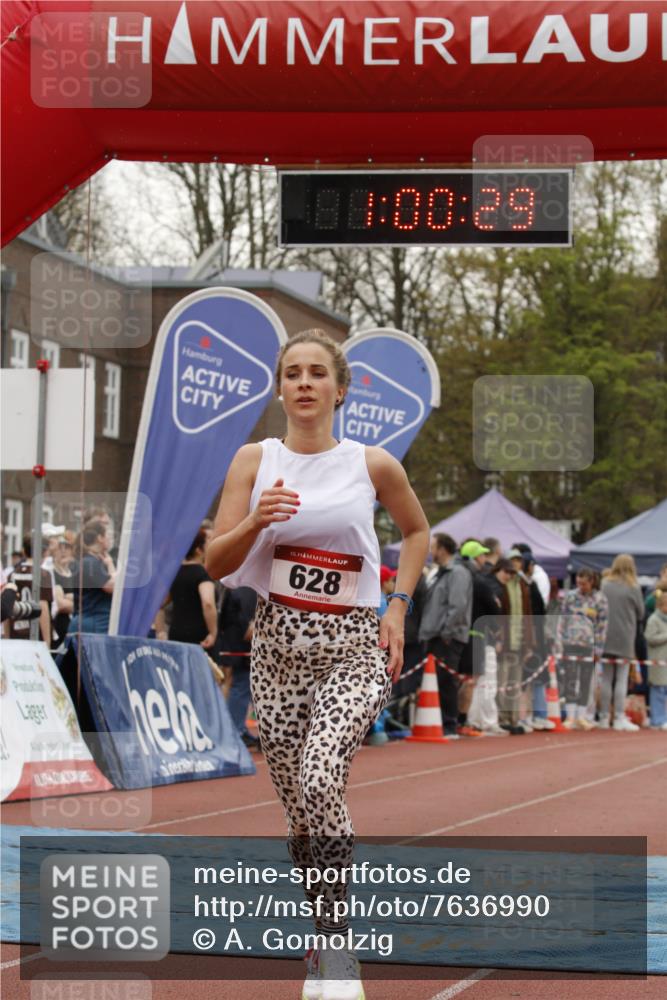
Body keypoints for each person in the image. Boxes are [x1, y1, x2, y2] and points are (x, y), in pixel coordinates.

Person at [205, 328, 430, 1000]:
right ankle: (320, 925)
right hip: (278, 649)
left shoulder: (372, 463)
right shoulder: (254, 458)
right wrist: (255, 522)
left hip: (354, 644)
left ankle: (337, 943)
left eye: (316, 374)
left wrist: (396, 607)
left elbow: (416, 532)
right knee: (298, 810)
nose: (303, 383)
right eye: (292, 373)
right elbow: (216, 561)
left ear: (339, 389)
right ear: (279, 389)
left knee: (320, 773)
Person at [418, 534, 473, 740]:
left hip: (445, 637)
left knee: (446, 681)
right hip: (434, 634)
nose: (430, 551)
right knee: (437, 682)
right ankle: (440, 722)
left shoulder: (457, 573)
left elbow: (457, 605)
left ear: (442, 549)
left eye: (433, 547)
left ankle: (449, 724)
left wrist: (446, 633)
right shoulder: (439, 573)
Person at [460, 540, 505, 736]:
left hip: (459, 634)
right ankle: (468, 721)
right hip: (476, 636)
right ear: (476, 557)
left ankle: (467, 720)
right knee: (473, 681)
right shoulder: (478, 581)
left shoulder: (459, 577)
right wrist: (497, 630)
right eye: (482, 555)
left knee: (465, 680)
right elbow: (494, 609)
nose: (484, 559)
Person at [556, 569, 609, 730]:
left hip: (589, 645)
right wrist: (560, 642)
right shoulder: (570, 596)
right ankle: (570, 716)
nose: (581, 586)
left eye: (584, 583)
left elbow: (603, 626)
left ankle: (582, 715)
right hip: (570, 643)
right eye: (578, 583)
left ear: (592, 582)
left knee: (586, 680)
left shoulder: (600, 599)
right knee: (570, 679)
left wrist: (598, 649)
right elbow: (561, 620)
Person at [599, 554, 645, 732]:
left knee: (607, 677)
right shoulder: (633, 586)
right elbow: (641, 613)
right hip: (625, 636)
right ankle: (618, 716)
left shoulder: (605, 584)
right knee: (622, 678)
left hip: (605, 636)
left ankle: (603, 716)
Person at [491, 556, 534, 734]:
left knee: (515, 683)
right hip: (505, 642)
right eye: (509, 568)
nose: (513, 571)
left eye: (516, 566)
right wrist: (498, 639)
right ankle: (501, 718)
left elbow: (528, 615)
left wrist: (530, 644)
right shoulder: (500, 586)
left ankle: (513, 718)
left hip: (519, 642)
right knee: (502, 682)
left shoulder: (522, 586)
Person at [167, 528, 218, 654]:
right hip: (199, 638)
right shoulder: (202, 574)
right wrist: (213, 632)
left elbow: (159, 604)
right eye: (207, 544)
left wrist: (160, 630)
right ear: (198, 550)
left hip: (175, 635)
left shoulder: (174, 573)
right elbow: (208, 603)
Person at [219, 585, 259, 748]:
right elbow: (247, 622)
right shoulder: (246, 589)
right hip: (239, 645)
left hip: (233, 642)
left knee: (236, 684)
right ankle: (235, 730)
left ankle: (237, 729)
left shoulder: (235, 587)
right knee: (239, 684)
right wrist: (250, 630)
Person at [68, 520, 115, 635]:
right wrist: (112, 566)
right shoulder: (89, 562)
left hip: (92, 623)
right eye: (107, 535)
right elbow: (112, 587)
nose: (110, 539)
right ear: (100, 538)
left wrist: (109, 564)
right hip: (92, 625)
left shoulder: (94, 561)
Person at [3, 535, 52, 644]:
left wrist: (6, 638)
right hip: (35, 635)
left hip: (15, 633)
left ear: (24, 551)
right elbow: (42, 607)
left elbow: (5, 607)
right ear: (43, 552)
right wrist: (47, 642)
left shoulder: (13, 574)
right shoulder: (43, 574)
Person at [645, 590, 667, 731]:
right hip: (657, 661)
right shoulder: (653, 619)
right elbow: (650, 638)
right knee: (658, 691)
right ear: (660, 605)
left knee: (664, 691)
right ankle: (657, 720)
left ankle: (663, 718)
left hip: (665, 662)